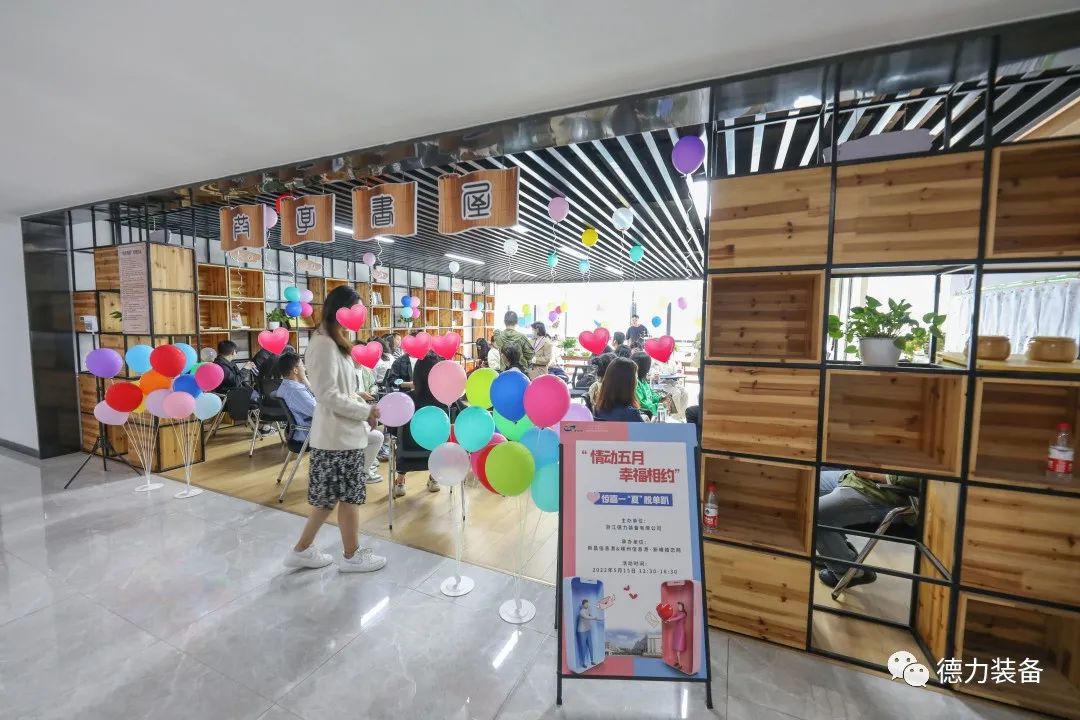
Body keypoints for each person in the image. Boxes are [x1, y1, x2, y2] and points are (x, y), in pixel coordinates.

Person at [283, 285, 387, 574]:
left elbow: (339, 390)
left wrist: (360, 400)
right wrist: (365, 411)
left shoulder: (332, 340)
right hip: (337, 437)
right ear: (340, 310)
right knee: (348, 496)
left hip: (339, 434)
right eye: (356, 310)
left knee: (328, 500)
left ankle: (301, 550)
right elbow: (327, 395)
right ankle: (351, 555)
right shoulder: (324, 344)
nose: (359, 317)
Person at [816, 470, 920, 588]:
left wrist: (874, 474)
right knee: (806, 478)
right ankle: (834, 553)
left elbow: (916, 479)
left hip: (883, 494)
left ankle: (849, 573)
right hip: (856, 478)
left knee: (816, 513)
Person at [392, 353, 443, 498]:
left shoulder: (405, 400)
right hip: (437, 455)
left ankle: (400, 483)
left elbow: (393, 430)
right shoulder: (446, 400)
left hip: (407, 454)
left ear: (416, 374)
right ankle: (434, 478)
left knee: (403, 438)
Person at [593, 357, 644, 422]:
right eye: (636, 377)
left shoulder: (597, 409)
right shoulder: (632, 414)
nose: (637, 381)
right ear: (628, 382)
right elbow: (645, 429)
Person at [631, 351, 662, 419]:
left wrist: (660, 399)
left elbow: (651, 394)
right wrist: (658, 405)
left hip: (650, 412)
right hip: (645, 415)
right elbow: (642, 405)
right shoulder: (634, 383)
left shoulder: (643, 380)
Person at [662, 601, 688, 671]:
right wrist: (667, 619)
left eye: (680, 606)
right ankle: (677, 662)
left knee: (678, 649)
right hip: (676, 631)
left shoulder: (683, 614)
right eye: (678, 606)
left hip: (681, 632)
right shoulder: (678, 612)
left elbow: (676, 618)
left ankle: (680, 665)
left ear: (683, 607)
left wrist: (669, 620)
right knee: (676, 648)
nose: (679, 607)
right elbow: (673, 617)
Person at [577, 599, 599, 668]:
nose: (587, 605)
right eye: (586, 604)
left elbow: (590, 616)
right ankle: (583, 663)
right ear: (583, 605)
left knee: (590, 646)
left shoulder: (588, 610)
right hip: (582, 631)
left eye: (587, 603)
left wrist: (599, 618)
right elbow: (587, 617)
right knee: (583, 647)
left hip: (588, 630)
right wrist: (594, 617)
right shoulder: (581, 612)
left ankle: (592, 661)